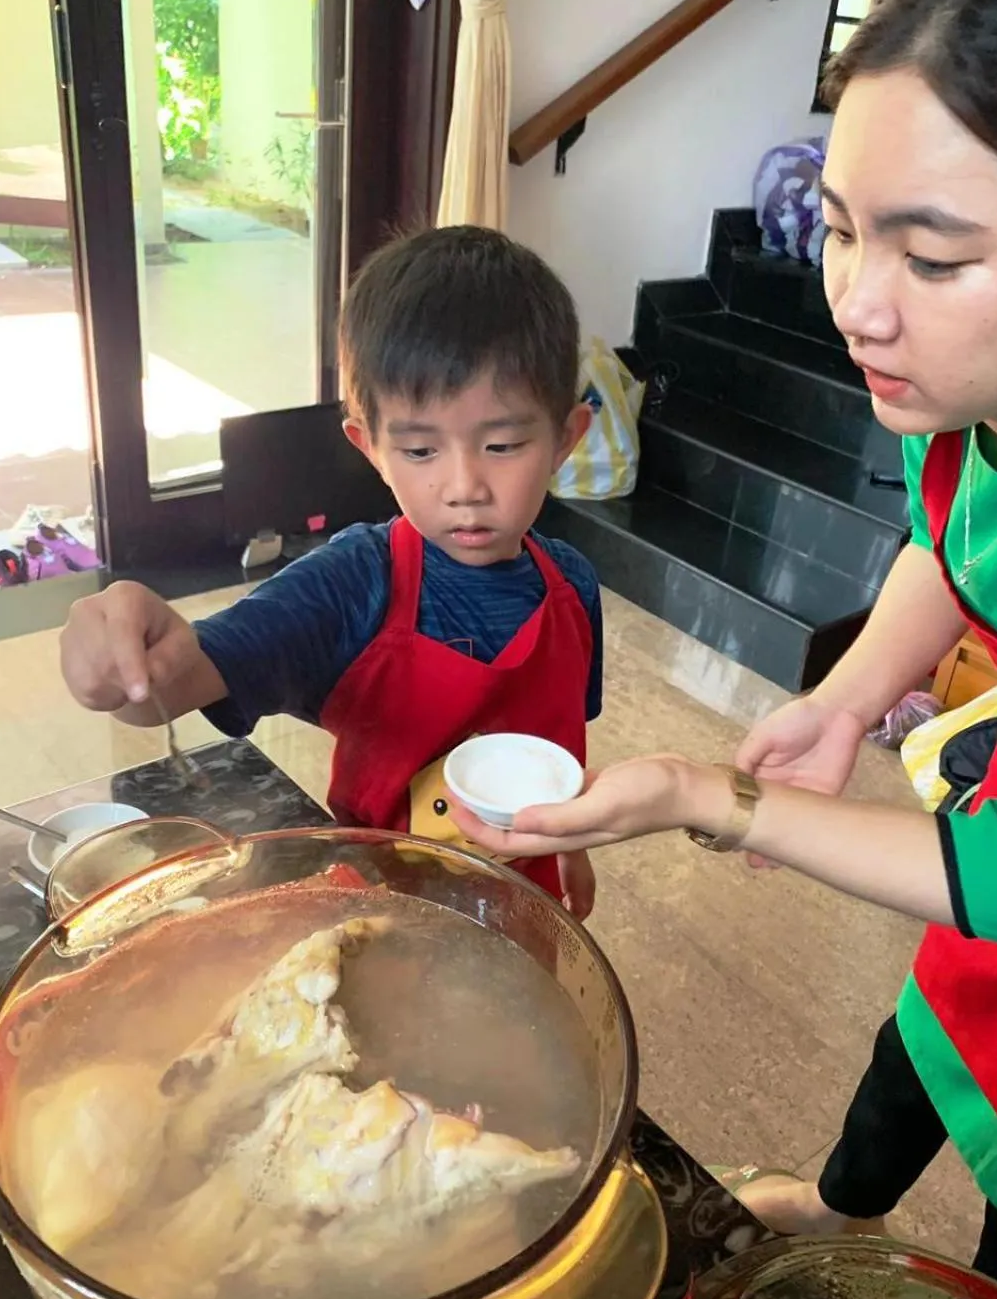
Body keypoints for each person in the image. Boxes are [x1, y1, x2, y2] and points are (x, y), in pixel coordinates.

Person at [454, 0, 997, 1299]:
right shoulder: (963, 392)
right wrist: (851, 699)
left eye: (934, 256)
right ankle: (846, 1209)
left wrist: (704, 797)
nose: (859, 304)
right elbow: (947, 545)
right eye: (843, 230)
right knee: (926, 1038)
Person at [60, 226, 601, 917]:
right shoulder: (354, 582)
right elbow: (172, 682)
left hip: (527, 901)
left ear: (564, 439)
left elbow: (557, 757)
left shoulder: (574, 587)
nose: (464, 485)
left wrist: (573, 849)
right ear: (369, 446)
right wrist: (125, 666)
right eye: (419, 450)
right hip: (377, 910)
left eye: (501, 444)